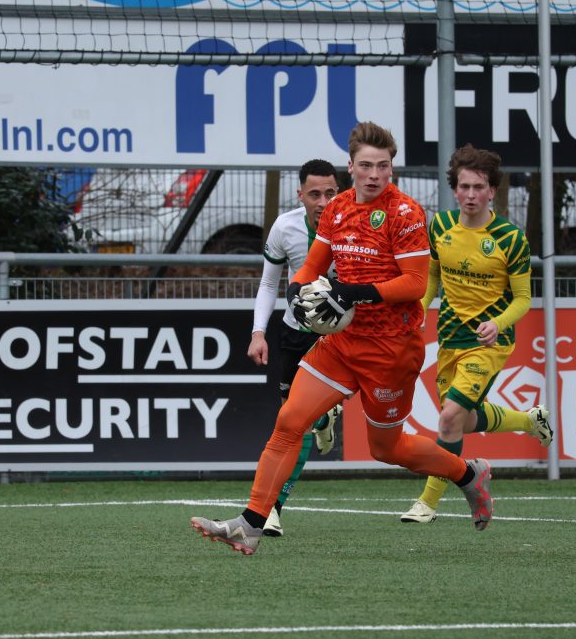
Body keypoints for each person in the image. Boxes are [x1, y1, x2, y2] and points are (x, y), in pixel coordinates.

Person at [191, 121, 493, 554]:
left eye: (383, 166)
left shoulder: (406, 213)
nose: (374, 174)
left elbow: (414, 283)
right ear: (350, 167)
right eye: (366, 165)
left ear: (392, 169)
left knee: (387, 449)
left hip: (392, 350)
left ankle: (468, 475)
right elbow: (312, 266)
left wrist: (355, 292)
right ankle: (251, 523)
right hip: (342, 343)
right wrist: (297, 290)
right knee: (289, 421)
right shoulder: (337, 209)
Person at [400, 145, 555, 523]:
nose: (471, 195)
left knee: (449, 419)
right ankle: (528, 421)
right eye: (465, 186)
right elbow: (433, 274)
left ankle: (428, 502)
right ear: (455, 189)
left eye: (479, 187)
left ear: (492, 191)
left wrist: (498, 323)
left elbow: (522, 300)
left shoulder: (510, 238)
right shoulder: (440, 226)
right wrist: (421, 306)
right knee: (463, 421)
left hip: (490, 342)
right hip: (450, 337)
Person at [247, 159, 344, 537]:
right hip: (295, 335)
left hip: (341, 338)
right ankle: (324, 421)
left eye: (331, 192)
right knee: (295, 419)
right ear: (300, 195)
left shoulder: (357, 225)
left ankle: (272, 508)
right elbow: (269, 284)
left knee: (296, 422)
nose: (323, 201)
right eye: (315, 194)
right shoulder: (285, 227)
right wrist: (258, 333)